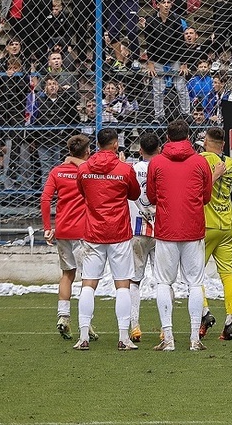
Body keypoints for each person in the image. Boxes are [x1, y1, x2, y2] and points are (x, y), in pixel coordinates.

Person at [146, 120, 214, 351]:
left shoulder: (156, 163)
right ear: (188, 135)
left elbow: (152, 196)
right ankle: (194, 338)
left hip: (166, 229)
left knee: (164, 282)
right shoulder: (199, 162)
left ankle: (168, 338)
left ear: (167, 136)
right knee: (195, 283)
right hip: (193, 229)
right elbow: (206, 196)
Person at [74, 127, 140, 351]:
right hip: (119, 232)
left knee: (88, 284)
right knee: (122, 284)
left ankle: (83, 335)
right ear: (115, 145)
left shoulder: (84, 169)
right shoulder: (124, 169)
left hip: (94, 232)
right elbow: (134, 194)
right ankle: (123, 337)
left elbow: (83, 192)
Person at [40, 133, 90, 341]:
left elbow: (45, 199)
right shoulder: (88, 171)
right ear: (86, 151)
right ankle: (86, 324)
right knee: (88, 279)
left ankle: (63, 317)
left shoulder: (57, 171)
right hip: (84, 231)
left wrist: (46, 227)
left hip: (63, 230)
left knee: (67, 274)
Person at [199, 126, 232, 341]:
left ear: (206, 141)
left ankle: (205, 313)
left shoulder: (201, 160)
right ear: (223, 144)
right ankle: (230, 318)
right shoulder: (230, 163)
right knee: (227, 273)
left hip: (207, 225)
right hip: (227, 224)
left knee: (195, 275)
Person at [127, 132, 160, 345]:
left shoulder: (131, 169)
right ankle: (165, 329)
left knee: (134, 280)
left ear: (140, 150)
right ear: (159, 150)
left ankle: (134, 326)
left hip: (136, 231)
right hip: (160, 231)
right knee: (162, 280)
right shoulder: (163, 168)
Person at [141, 0, 189, 121]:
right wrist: (150, 63)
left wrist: (183, 63)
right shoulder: (151, 21)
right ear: (158, 5)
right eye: (163, 2)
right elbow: (149, 43)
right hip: (157, 58)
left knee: (181, 87)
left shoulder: (176, 20)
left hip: (174, 57)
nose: (166, 5)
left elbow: (180, 42)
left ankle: (186, 113)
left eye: (168, 2)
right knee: (158, 89)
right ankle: (159, 116)